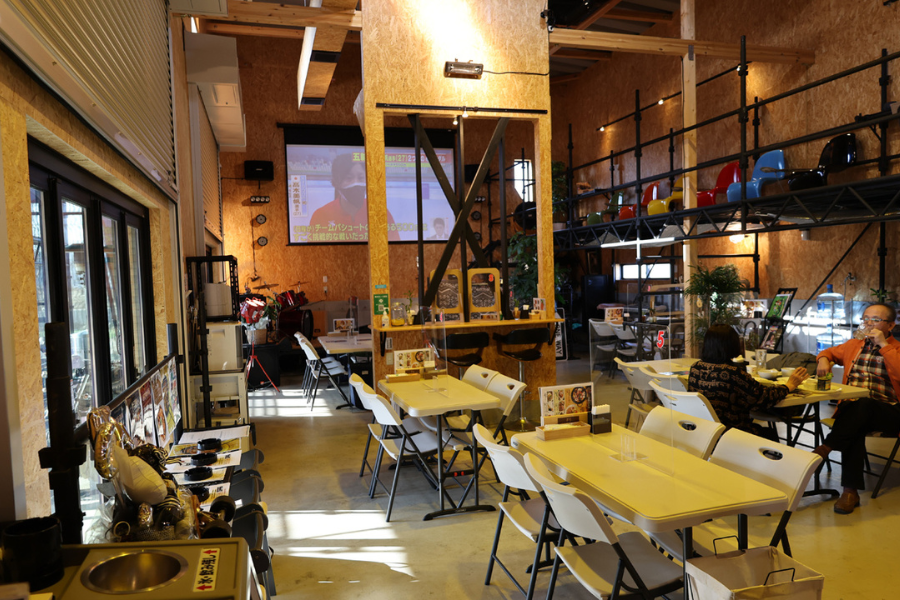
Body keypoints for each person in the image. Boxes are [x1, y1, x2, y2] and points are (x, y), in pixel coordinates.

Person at [813, 303, 900, 515]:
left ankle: (826, 447)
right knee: (856, 417)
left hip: (890, 411)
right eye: (865, 319)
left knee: (862, 403)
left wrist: (883, 345)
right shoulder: (854, 345)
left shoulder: (896, 349)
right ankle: (849, 492)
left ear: (890, 325)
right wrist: (823, 359)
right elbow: (828, 352)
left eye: (875, 320)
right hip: (855, 411)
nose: (868, 324)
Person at [688, 324, 809, 440]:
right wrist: (789, 386)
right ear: (732, 345)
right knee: (769, 434)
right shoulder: (733, 373)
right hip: (731, 435)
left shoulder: (695, 368)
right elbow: (762, 398)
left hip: (702, 432)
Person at [307, 154, 400, 242]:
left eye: (361, 178)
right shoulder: (321, 215)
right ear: (336, 183)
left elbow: (395, 248)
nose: (356, 183)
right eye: (349, 178)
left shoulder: (379, 212)